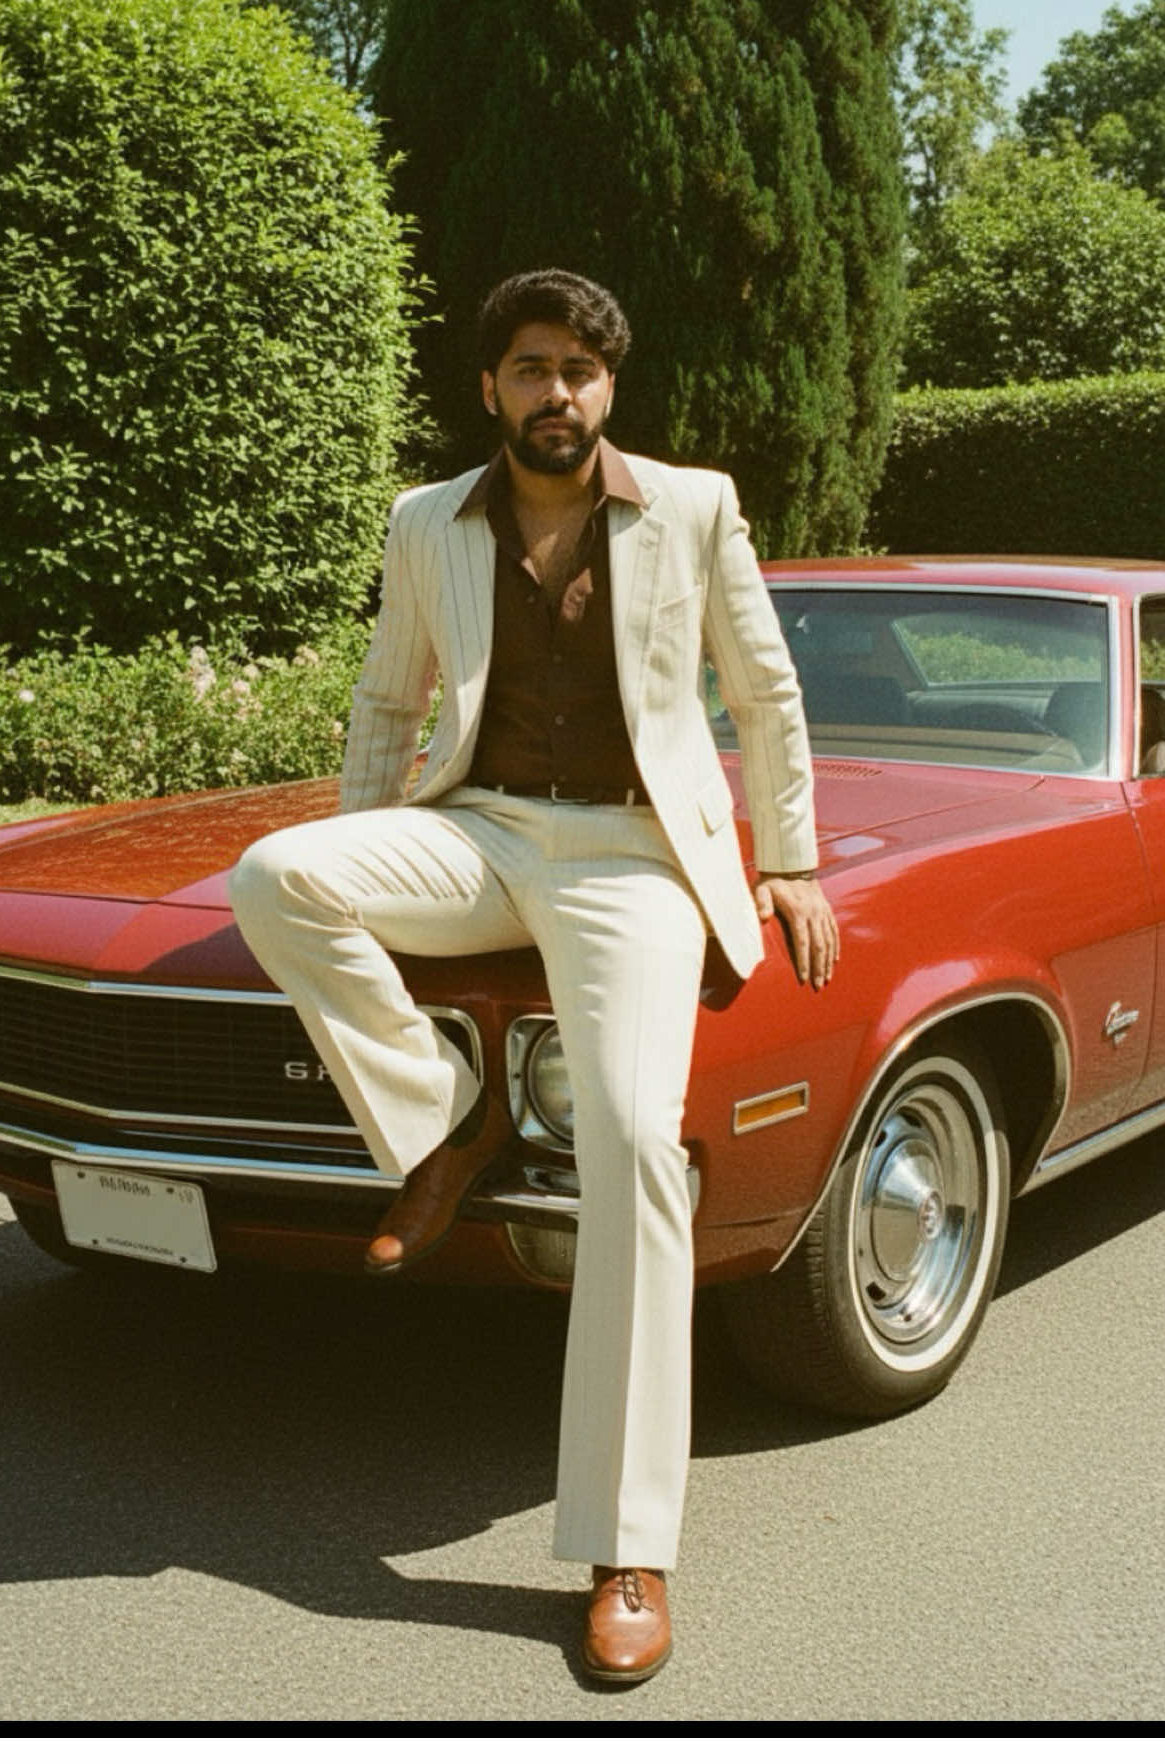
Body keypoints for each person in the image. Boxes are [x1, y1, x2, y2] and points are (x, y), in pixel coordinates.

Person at [229, 268, 839, 1684]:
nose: (552, 391)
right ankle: (439, 1120)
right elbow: (390, 700)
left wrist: (790, 859)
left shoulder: (691, 506)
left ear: (606, 388)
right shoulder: (424, 521)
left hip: (633, 857)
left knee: (630, 1144)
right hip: (480, 830)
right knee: (278, 876)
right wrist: (368, 842)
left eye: (576, 368)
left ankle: (628, 1546)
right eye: (526, 368)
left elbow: (761, 691)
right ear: (488, 387)